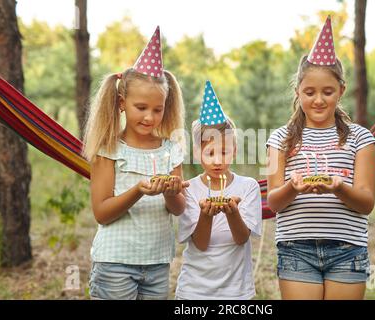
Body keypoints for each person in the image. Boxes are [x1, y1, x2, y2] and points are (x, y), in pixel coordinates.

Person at [266, 16, 375, 300]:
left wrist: (338, 186)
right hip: (295, 249)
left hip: (348, 250)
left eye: (328, 92)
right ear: (297, 92)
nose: (318, 100)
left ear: (341, 90)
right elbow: (274, 202)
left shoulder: (361, 138)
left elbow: (366, 203)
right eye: (309, 92)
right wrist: (293, 186)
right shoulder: (278, 139)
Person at [82, 26, 189, 300]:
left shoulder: (171, 150)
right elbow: (102, 213)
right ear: (121, 103)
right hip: (115, 264)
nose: (150, 117)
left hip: (157, 264)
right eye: (141, 108)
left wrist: (171, 190)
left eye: (158, 109)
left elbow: (178, 209)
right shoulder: (109, 149)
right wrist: (138, 190)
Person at [175, 81, 262, 300]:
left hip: (236, 292)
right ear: (197, 153)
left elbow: (242, 239)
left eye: (224, 152)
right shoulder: (190, 190)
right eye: (210, 153)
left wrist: (232, 212)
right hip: (194, 291)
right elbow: (201, 244)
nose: (217, 161)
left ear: (234, 151)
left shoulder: (248, 187)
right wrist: (206, 214)